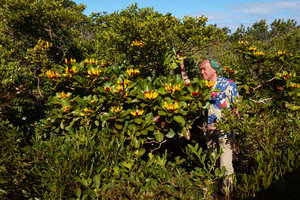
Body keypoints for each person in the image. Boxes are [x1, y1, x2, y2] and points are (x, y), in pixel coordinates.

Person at [200, 58, 239, 196]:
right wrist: (181, 64)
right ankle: (219, 192)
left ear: (214, 69)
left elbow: (236, 111)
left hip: (225, 132)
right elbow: (187, 84)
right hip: (209, 132)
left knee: (225, 165)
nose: (202, 72)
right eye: (201, 69)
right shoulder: (203, 86)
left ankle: (228, 194)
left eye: (204, 69)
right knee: (214, 162)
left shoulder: (229, 84)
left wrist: (219, 124)